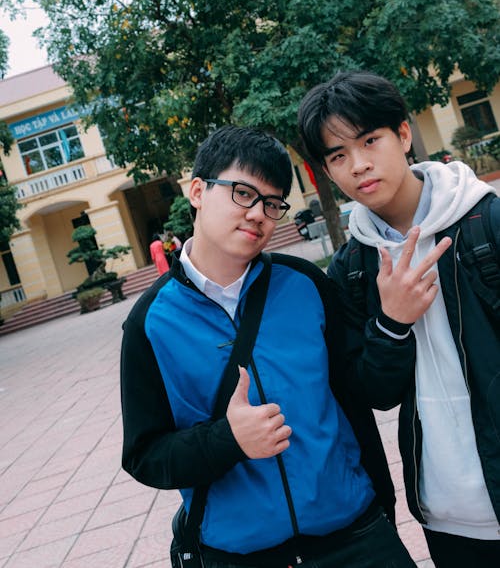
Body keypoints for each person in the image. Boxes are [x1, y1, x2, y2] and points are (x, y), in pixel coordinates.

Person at [120, 125, 421, 568]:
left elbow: (366, 391)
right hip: (242, 555)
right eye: (243, 193)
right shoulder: (149, 322)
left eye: (273, 202)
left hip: (355, 537)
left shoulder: (306, 286)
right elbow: (145, 456)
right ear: (198, 191)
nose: (259, 213)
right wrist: (229, 439)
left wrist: (393, 322)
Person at [298, 71, 500, 568]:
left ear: (404, 134)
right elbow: (375, 391)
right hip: (448, 513)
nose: (359, 165)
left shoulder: (485, 223)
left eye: (370, 141)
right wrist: (391, 322)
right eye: (338, 155)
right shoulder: (352, 269)